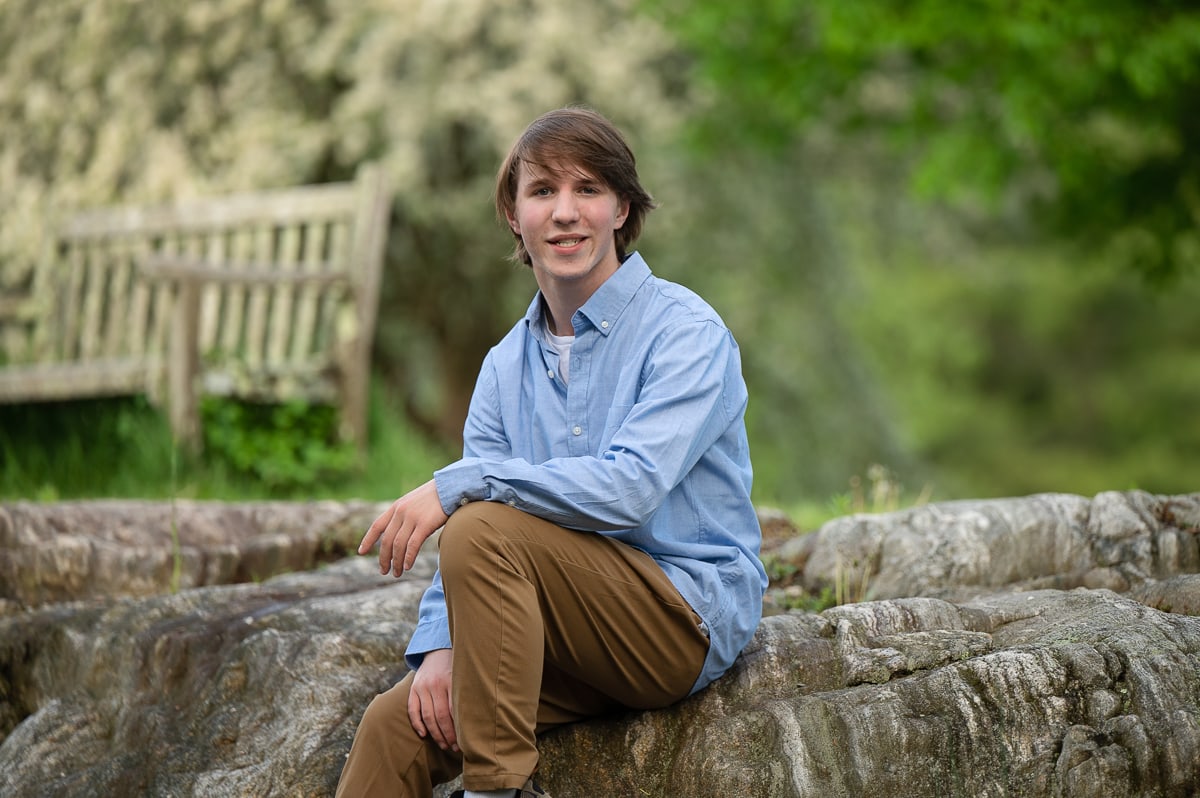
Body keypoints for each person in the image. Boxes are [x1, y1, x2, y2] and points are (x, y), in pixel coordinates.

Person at [336, 106, 766, 798]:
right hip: (560, 626)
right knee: (398, 724)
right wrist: (443, 647)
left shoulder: (686, 332)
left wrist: (461, 484)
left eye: (588, 190)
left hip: (679, 620)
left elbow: (629, 488)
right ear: (514, 214)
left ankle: (497, 790)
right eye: (542, 192)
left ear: (622, 208)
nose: (565, 213)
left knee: (479, 520)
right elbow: (479, 548)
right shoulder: (505, 367)